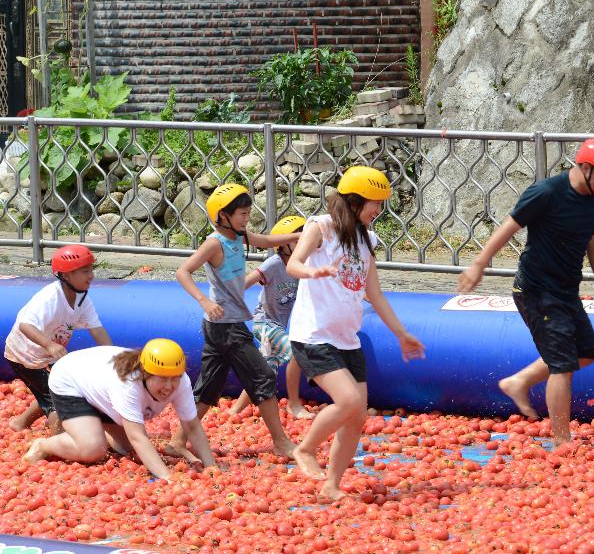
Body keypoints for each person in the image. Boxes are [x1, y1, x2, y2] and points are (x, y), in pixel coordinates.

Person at [457, 138, 594, 444]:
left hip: (565, 291)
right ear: (584, 168)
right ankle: (562, 440)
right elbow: (508, 227)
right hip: (535, 290)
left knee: (587, 352)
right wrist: (478, 264)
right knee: (563, 365)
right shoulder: (547, 193)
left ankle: (519, 381)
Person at [286, 165, 425, 501]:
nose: (378, 210)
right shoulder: (321, 227)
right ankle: (304, 450)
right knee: (347, 400)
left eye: (380, 203)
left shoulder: (366, 240)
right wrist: (312, 271)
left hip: (346, 338)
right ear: (353, 200)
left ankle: (332, 486)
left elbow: (374, 294)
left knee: (357, 413)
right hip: (313, 335)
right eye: (373, 203)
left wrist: (401, 334)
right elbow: (293, 263)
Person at [166, 183, 301, 461]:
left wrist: (299, 235)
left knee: (210, 386)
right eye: (241, 214)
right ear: (222, 216)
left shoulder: (240, 237)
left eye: (248, 213)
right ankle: (280, 442)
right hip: (224, 325)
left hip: (226, 325)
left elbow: (265, 241)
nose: (246, 218)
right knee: (263, 375)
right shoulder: (214, 243)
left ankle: (177, 441)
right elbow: (183, 272)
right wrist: (204, 301)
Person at [23, 339, 217, 482]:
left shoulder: (181, 381)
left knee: (125, 450)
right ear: (145, 373)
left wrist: (211, 467)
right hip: (70, 380)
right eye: (162, 378)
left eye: (174, 378)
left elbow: (192, 426)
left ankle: (88, 427)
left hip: (102, 391)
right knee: (93, 450)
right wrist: (168, 477)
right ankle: (43, 445)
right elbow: (138, 437)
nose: (169, 386)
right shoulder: (128, 384)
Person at [4, 244, 112, 434]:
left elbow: (97, 330)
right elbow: (24, 325)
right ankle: (57, 441)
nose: (91, 275)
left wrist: (115, 357)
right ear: (66, 275)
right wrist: (50, 345)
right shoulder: (49, 298)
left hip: (49, 355)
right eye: (85, 271)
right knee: (58, 400)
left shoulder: (82, 300)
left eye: (91, 270)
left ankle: (20, 422)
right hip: (25, 355)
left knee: (66, 387)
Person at [228, 215, 314, 420]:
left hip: (279, 325)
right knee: (296, 353)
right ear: (283, 245)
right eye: (298, 240)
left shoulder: (302, 265)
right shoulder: (274, 264)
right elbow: (250, 279)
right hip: (264, 323)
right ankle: (294, 404)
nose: (304, 245)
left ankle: (234, 412)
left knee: (266, 373)